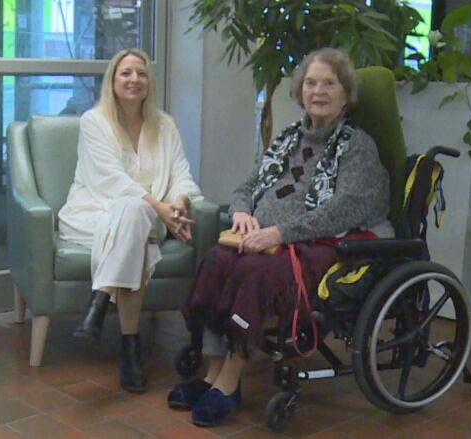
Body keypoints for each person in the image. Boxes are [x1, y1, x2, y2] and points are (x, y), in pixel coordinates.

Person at [167, 48, 393, 427]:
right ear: (300, 91)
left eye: (328, 83)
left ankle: (228, 384)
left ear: (345, 92)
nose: (318, 91)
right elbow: (248, 185)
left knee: (256, 274)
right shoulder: (289, 138)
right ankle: (211, 373)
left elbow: (341, 211)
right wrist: (241, 212)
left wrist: (280, 232)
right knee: (216, 260)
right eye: (310, 83)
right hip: (265, 236)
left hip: (325, 243)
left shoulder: (357, 147)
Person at [58, 48, 202, 394]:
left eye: (141, 73)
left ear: (149, 83)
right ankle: (130, 348)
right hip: (91, 214)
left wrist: (178, 204)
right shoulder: (94, 121)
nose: (134, 79)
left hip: (147, 217)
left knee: (135, 215)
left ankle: (101, 299)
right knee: (133, 218)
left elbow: (181, 174)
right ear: (112, 79)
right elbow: (111, 180)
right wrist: (160, 209)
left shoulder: (164, 126)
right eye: (126, 73)